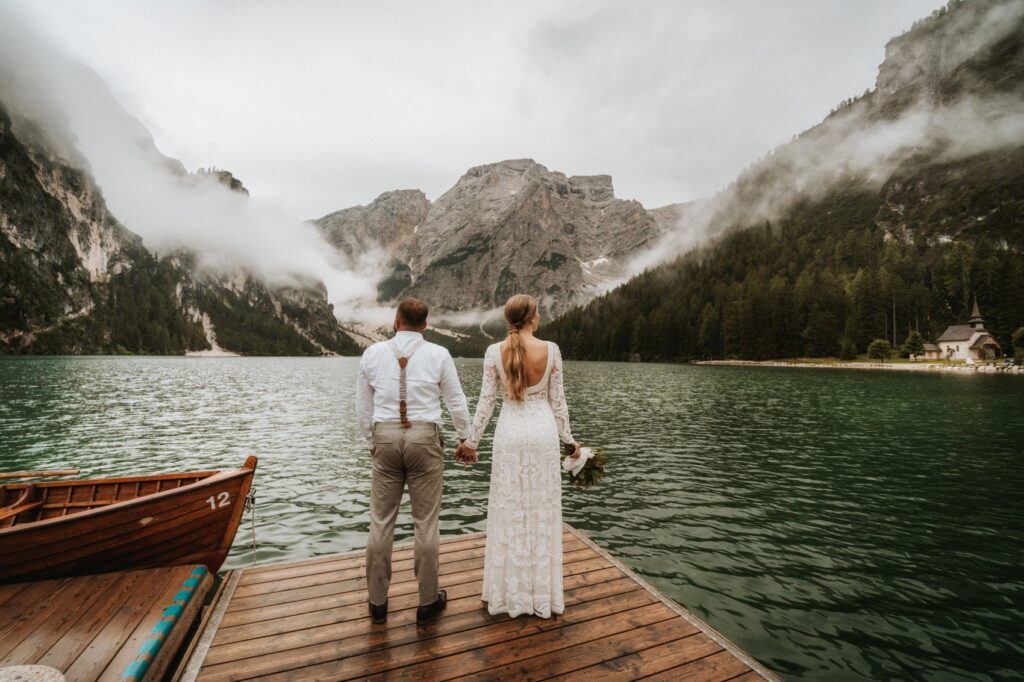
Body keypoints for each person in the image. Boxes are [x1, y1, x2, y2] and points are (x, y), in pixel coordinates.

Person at [456, 294, 580, 618]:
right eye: (537, 312)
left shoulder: (493, 352)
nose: (539, 316)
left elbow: (486, 403)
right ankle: (541, 595)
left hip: (509, 434)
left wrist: (471, 442)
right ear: (532, 317)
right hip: (542, 434)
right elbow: (558, 403)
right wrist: (569, 442)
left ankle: (506, 594)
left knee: (509, 509)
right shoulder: (551, 350)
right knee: (540, 508)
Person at [355, 298, 472, 625]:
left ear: (396, 320)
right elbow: (455, 401)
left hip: (385, 438)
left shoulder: (373, 353)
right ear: (425, 325)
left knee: (380, 521)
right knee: (426, 523)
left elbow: (362, 408)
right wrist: (466, 438)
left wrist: (371, 442)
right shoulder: (439, 354)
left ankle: (377, 604)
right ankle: (426, 602)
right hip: (425, 439)